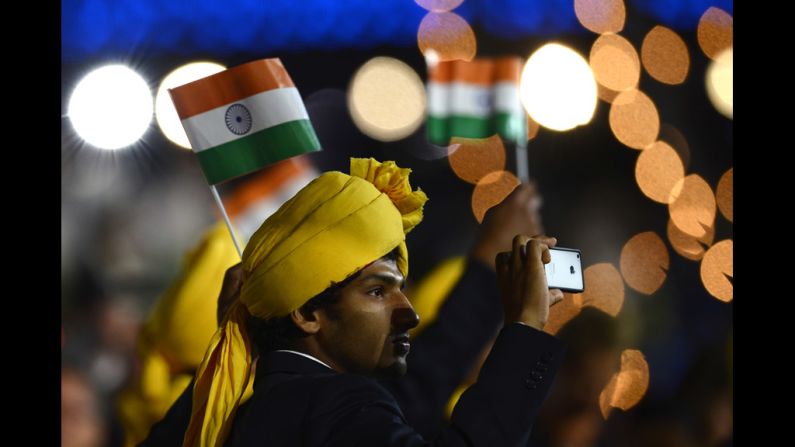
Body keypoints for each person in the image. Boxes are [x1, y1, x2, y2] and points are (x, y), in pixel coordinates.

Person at [147, 157, 564, 446]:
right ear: (308, 313)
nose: (410, 313)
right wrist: (525, 326)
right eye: (377, 291)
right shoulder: (332, 404)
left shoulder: (242, 411)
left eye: (400, 287)